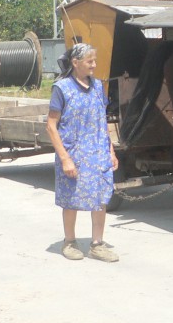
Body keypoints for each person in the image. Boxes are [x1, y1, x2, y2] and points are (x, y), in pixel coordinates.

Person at [45, 43, 120, 262]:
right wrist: (65, 159)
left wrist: (111, 150)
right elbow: (51, 125)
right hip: (73, 154)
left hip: (98, 154)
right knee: (72, 199)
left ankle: (97, 244)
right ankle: (69, 242)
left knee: (100, 199)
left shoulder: (98, 87)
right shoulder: (61, 88)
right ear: (75, 63)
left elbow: (101, 120)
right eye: (90, 62)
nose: (94, 65)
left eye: (94, 61)